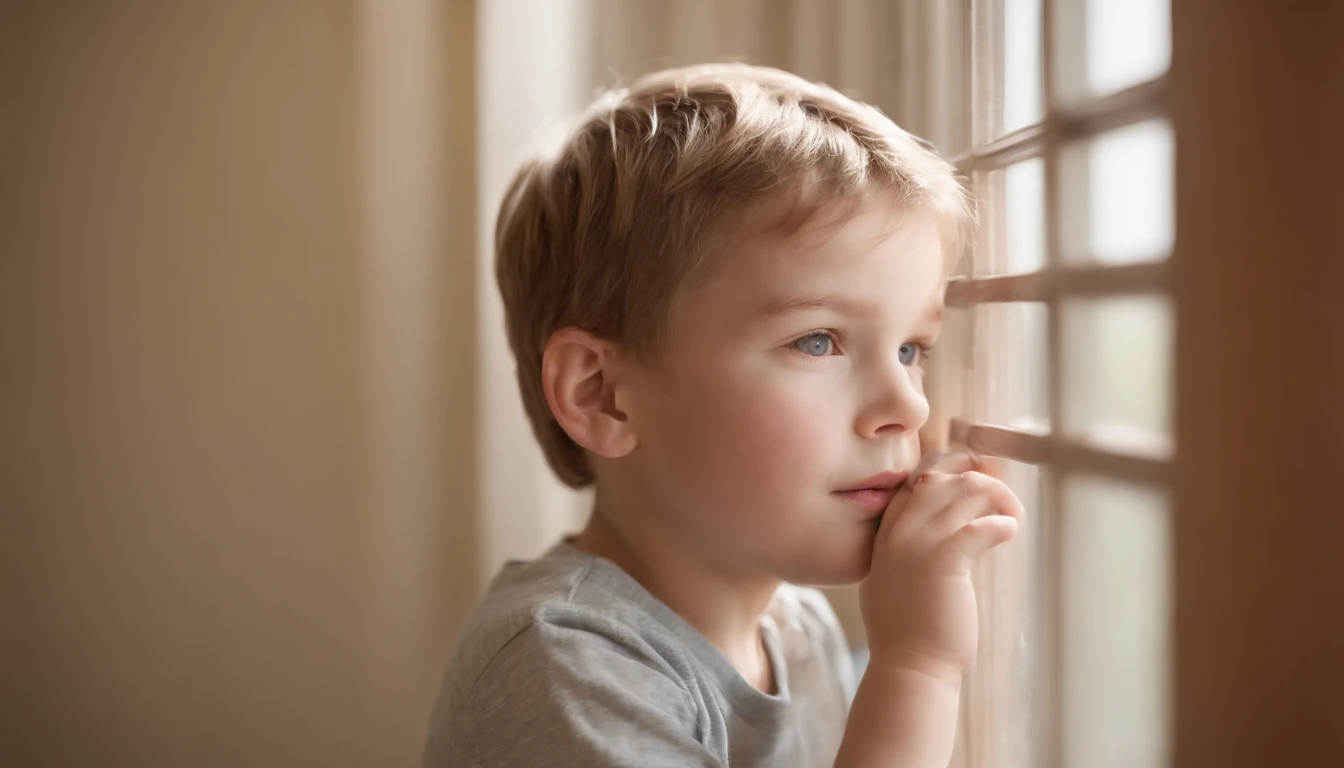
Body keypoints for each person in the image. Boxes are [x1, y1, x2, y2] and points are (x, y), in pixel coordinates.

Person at [423, 62, 1024, 768]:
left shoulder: (796, 629)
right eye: (818, 341)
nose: (908, 406)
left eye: (912, 349)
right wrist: (919, 669)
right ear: (602, 396)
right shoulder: (566, 667)